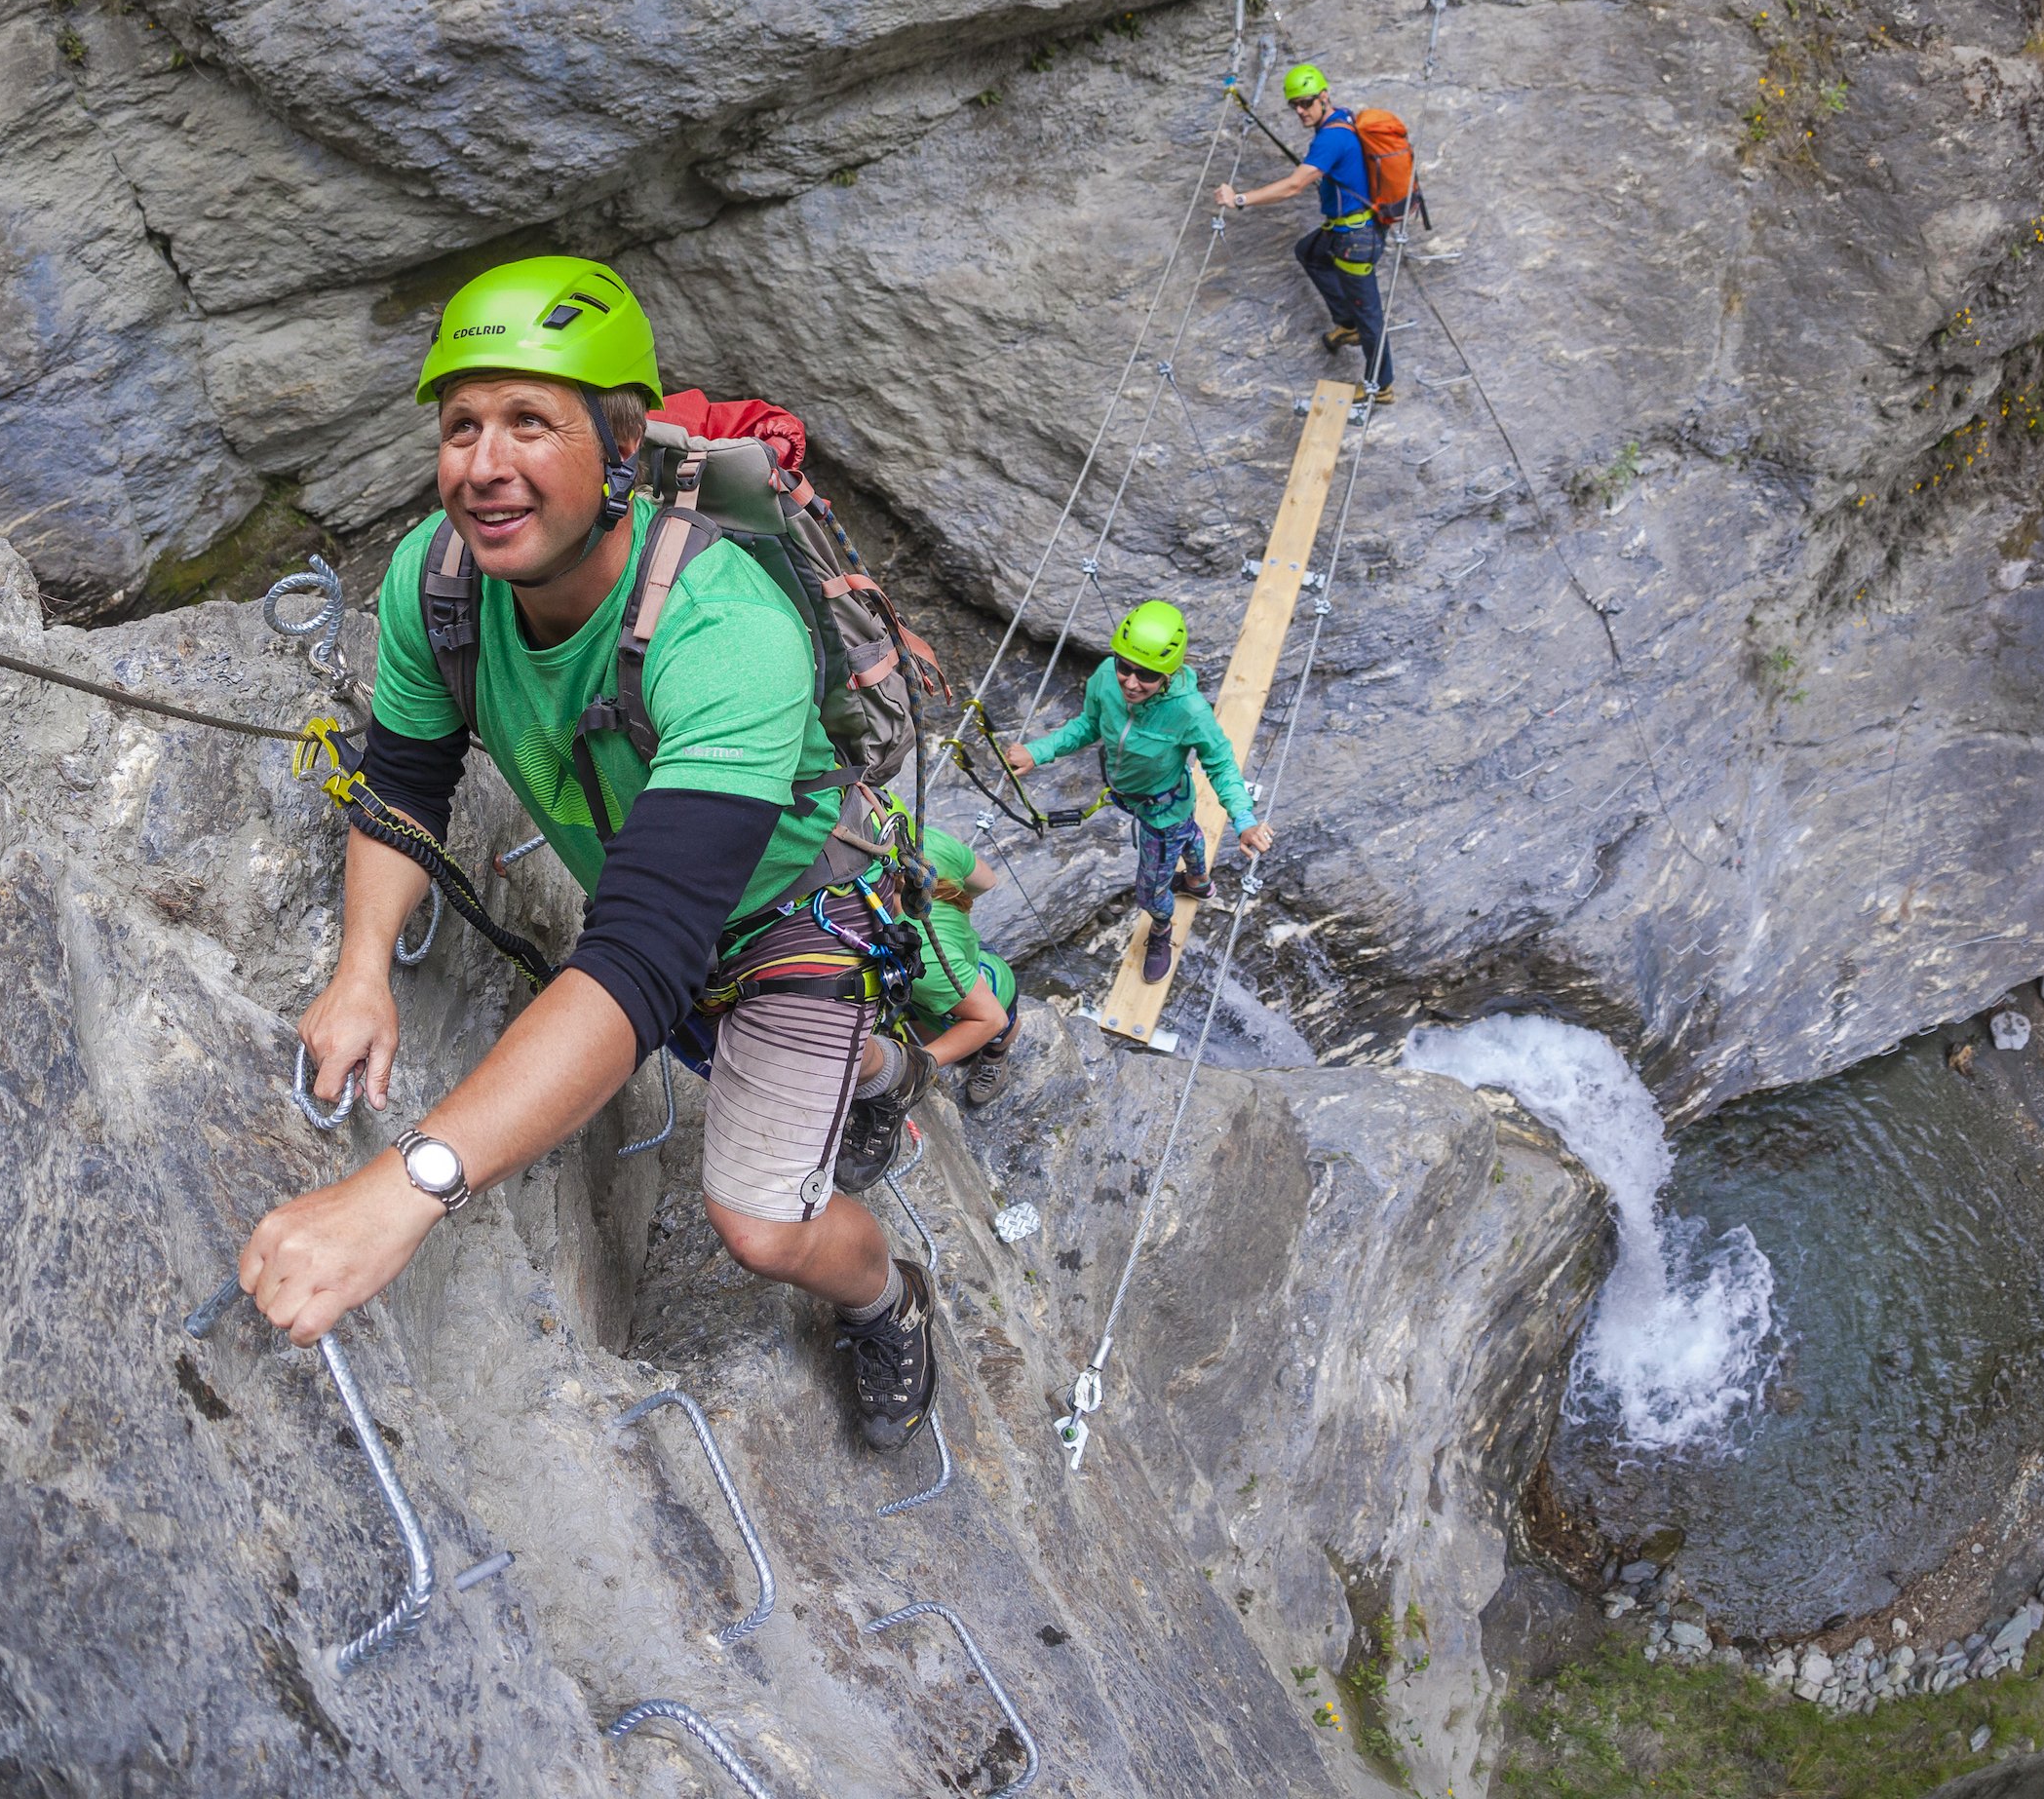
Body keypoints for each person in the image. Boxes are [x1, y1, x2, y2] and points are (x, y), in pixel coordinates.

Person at [233, 255, 942, 1453]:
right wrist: (362, 967)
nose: (484, 464)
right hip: (656, 901)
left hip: (786, 915)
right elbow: (405, 782)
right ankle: (874, 1073)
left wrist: (403, 1189)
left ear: (621, 454)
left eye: (530, 422)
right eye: (461, 425)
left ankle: (893, 1296)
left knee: (760, 1221)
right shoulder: (437, 580)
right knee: (776, 1050)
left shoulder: (727, 631)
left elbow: (649, 955)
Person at [1001, 601, 1272, 986]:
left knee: (1150, 890)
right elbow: (1089, 725)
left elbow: (1222, 765)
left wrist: (1244, 821)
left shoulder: (1189, 711)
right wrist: (1039, 751)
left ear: (1169, 672)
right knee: (1188, 834)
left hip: (1163, 810)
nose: (1130, 681)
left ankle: (1161, 927)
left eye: (1146, 673)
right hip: (1132, 795)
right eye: (1124, 665)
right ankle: (1198, 883)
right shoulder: (1105, 679)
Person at [1214, 62, 1397, 404]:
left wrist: (1239, 199)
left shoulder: (1331, 138)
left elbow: (1294, 186)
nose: (1300, 111)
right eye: (1294, 104)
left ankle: (1380, 385)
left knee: (1370, 313)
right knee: (1309, 252)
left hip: (1355, 239)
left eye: (1307, 102)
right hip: (1348, 229)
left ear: (1323, 97)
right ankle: (1347, 323)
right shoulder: (1340, 117)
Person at [899, 817, 1022, 1107]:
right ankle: (985, 1049)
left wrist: (909, 1069)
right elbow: (986, 880)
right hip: (971, 962)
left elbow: (992, 1018)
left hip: (986, 989)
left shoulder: (920, 952)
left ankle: (994, 1056)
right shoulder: (920, 841)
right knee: (933, 1017)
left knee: (998, 1032)